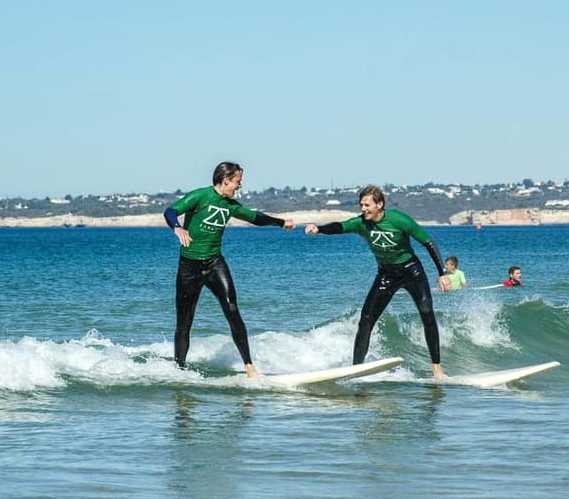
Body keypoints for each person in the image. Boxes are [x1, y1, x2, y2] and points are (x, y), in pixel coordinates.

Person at [305, 185, 452, 379]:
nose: (363, 208)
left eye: (367, 205)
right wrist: (319, 229)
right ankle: (355, 370)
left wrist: (442, 272)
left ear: (379, 204)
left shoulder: (399, 220)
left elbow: (428, 242)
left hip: (412, 272)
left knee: (427, 314)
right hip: (386, 275)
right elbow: (340, 226)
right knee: (365, 321)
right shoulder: (361, 224)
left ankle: (437, 370)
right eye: (361, 205)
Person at [164, 161, 295, 376]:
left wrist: (280, 223)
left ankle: (249, 367)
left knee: (232, 309)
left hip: (214, 263)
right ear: (226, 181)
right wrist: (177, 227)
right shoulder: (200, 196)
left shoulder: (230, 205)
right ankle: (179, 368)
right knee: (184, 321)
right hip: (189, 266)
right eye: (238, 181)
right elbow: (171, 211)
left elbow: (256, 218)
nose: (240, 186)